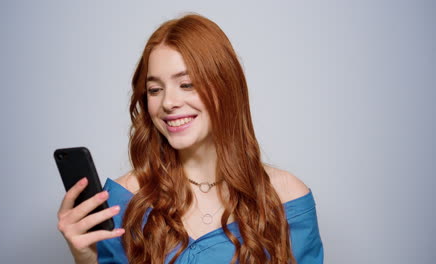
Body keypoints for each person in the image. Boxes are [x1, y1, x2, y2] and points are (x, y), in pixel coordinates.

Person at [57, 14, 323, 264]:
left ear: (226, 88)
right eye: (155, 89)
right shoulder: (123, 200)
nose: (168, 102)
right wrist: (87, 259)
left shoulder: (286, 197)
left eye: (187, 84)